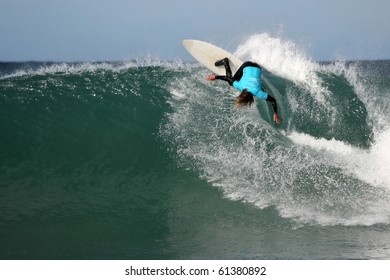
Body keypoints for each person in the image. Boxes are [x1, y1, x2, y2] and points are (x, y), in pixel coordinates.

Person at [206, 58, 281, 124]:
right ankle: (225, 62)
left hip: (258, 68)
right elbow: (227, 78)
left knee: (259, 88)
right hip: (247, 65)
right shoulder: (241, 86)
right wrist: (215, 77)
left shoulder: (259, 93)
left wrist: (275, 113)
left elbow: (273, 100)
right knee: (230, 82)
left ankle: (258, 84)